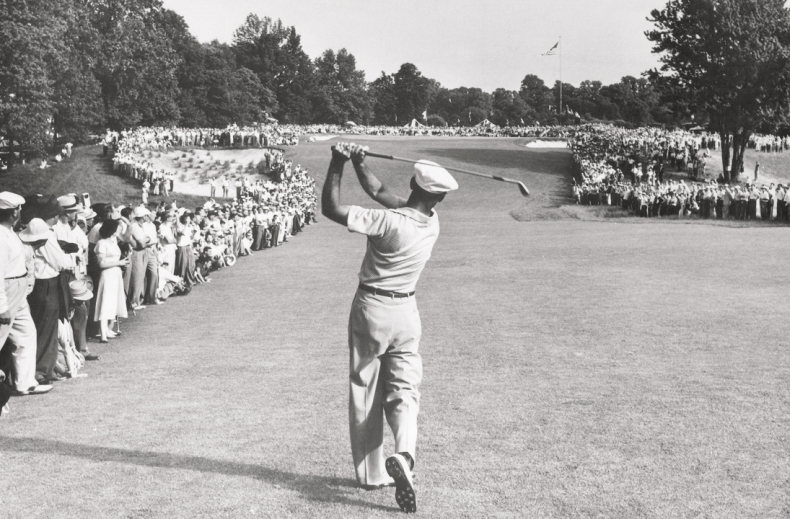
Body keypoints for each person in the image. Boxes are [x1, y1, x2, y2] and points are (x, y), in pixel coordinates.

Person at [321, 142, 458, 514]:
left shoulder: (387, 222)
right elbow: (379, 190)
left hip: (372, 309)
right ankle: (405, 454)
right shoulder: (432, 222)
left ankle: (372, 473)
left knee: (366, 389)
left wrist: (338, 162)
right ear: (439, 197)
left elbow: (331, 208)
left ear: (413, 184)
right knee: (405, 389)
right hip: (407, 313)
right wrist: (361, 163)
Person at [0, 194, 52, 398]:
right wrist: (2, 306)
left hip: (18, 287)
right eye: (19, 209)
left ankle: (25, 382)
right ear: (13, 212)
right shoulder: (1, 237)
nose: (20, 212)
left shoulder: (10, 233)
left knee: (26, 333)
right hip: (8, 287)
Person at [94, 219, 129, 342]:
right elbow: (101, 264)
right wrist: (119, 263)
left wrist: (121, 264)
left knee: (113, 301)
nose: (118, 230)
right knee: (106, 302)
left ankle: (108, 329)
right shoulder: (101, 243)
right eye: (116, 228)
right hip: (108, 275)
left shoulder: (113, 242)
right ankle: (103, 334)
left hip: (116, 274)